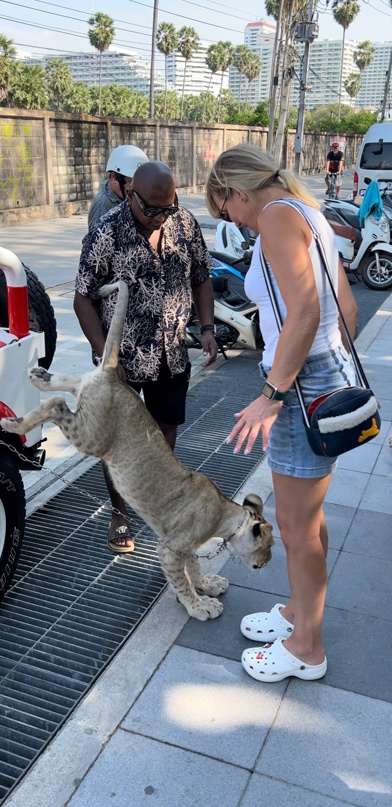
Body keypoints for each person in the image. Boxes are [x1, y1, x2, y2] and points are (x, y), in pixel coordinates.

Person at [206, 143, 358, 683]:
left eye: (226, 210)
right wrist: (331, 369)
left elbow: (307, 310)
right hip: (318, 372)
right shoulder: (308, 211)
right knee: (306, 520)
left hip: (297, 380)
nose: (233, 221)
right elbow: (345, 309)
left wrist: (274, 393)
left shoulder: (273, 215)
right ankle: (298, 614)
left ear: (235, 191)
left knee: (294, 526)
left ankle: (306, 648)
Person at [75, 160, 218, 552]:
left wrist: (207, 328)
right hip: (121, 360)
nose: (159, 217)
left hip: (172, 354)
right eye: (151, 208)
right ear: (131, 194)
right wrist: (106, 355)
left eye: (167, 208)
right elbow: (82, 298)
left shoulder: (183, 223)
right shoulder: (106, 232)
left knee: (164, 432)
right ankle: (119, 511)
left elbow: (202, 277)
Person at [88, 144, 149, 230]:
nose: (137, 187)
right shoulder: (102, 205)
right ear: (114, 177)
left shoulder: (126, 197)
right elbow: (97, 237)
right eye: (131, 181)